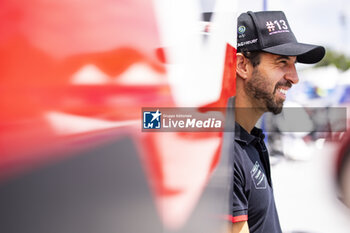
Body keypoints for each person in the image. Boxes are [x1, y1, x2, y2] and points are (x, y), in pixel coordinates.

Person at [228, 11, 325, 233]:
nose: (294, 77)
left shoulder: (250, 139)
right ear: (243, 65)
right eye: (282, 62)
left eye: (294, 64)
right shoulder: (226, 151)